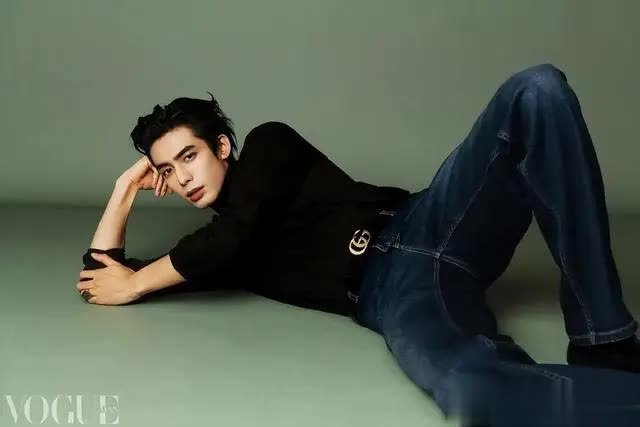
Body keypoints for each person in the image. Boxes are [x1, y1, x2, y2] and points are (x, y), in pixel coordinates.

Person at [77, 63, 640, 426]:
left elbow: (230, 234)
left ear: (222, 146)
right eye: (166, 172)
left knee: (535, 90)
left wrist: (137, 282)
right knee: (473, 390)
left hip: (431, 218)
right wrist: (123, 190)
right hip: (396, 293)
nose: (181, 178)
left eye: (189, 156)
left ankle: (604, 341)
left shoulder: (268, 147)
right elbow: (102, 274)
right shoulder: (211, 253)